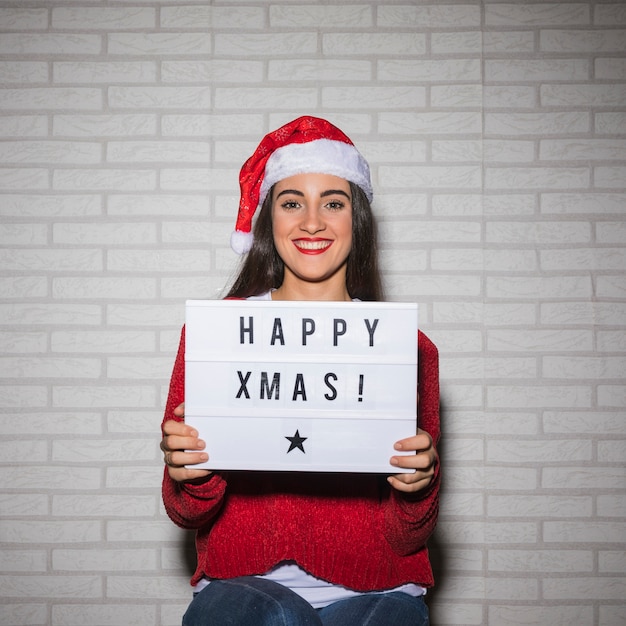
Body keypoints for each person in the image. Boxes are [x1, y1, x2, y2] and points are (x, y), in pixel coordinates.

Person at [160, 116, 440, 626]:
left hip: (380, 590)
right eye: (292, 203)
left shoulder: (410, 349)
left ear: (358, 220)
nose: (313, 222)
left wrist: (417, 485)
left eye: (333, 202)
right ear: (269, 219)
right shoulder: (214, 336)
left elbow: (409, 537)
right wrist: (192, 475)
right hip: (241, 587)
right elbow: (186, 512)